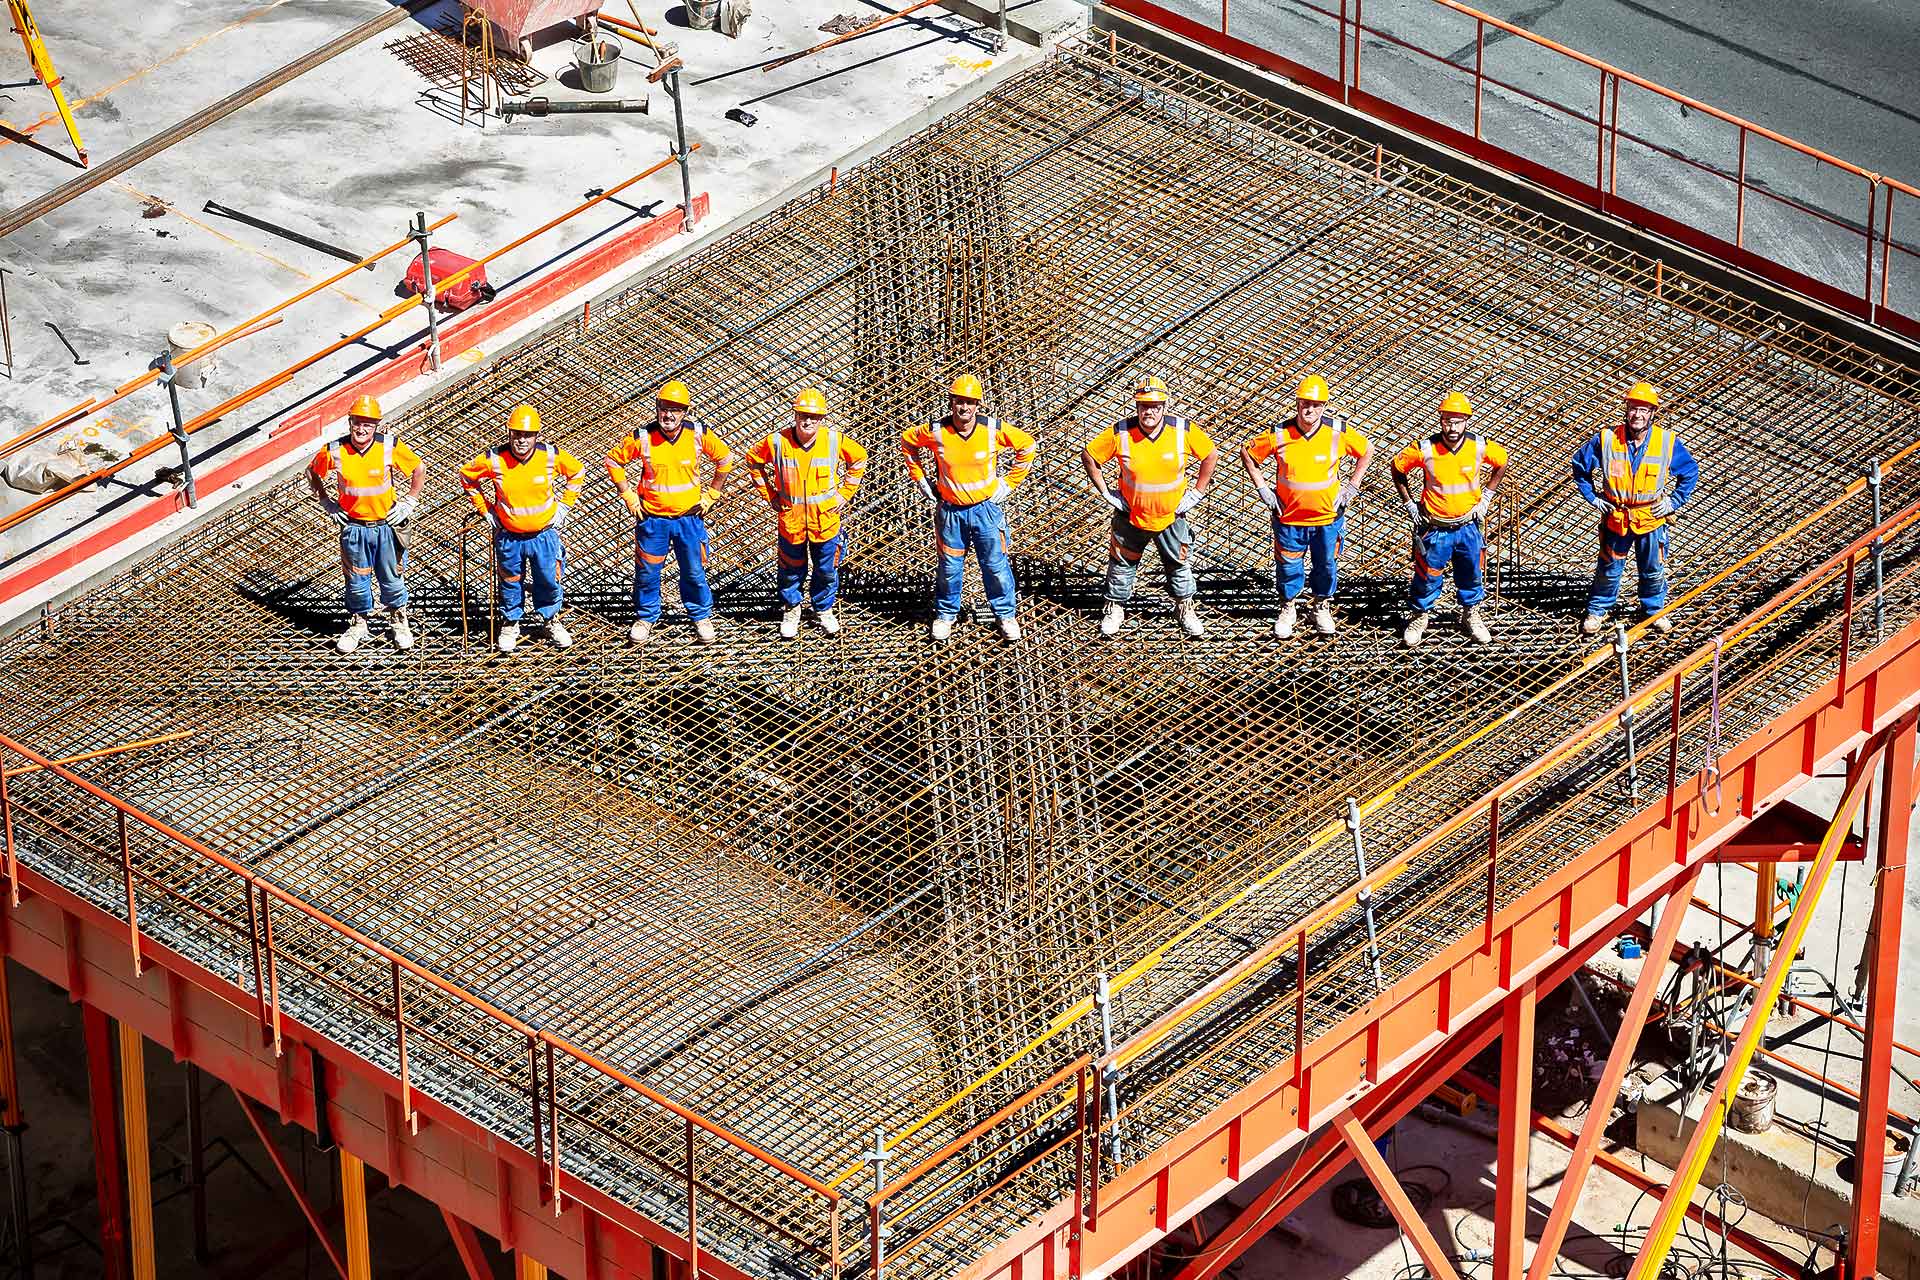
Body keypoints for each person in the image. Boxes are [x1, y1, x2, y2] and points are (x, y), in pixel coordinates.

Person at [901, 374, 1038, 642]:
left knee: (995, 565)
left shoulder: (991, 430)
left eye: (970, 402)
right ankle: (945, 615)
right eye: (959, 401)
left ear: (978, 405)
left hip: (985, 511)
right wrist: (921, 481)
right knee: (950, 567)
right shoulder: (937, 431)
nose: (964, 408)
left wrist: (1009, 483)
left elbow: (1027, 445)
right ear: (951, 402)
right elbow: (908, 443)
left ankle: (1005, 615)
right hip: (951, 512)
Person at [1082, 375, 1216, 639]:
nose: (1149, 411)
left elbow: (1210, 454)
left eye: (1155, 406)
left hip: (1171, 516)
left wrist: (1198, 492)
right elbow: (1090, 456)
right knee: (1121, 563)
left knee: (1178, 563)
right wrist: (1106, 492)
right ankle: (1115, 608)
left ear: (1165, 406)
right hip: (1131, 515)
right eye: (1144, 406)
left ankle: (1185, 608)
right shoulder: (1121, 432)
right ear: (1137, 407)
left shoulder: (1182, 431)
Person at [1239, 374, 1371, 638]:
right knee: (1288, 565)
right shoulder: (1279, 434)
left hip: (1327, 518)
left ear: (1324, 406)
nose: (1309, 410)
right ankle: (1288, 608)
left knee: (1326, 564)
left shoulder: (1337, 432)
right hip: (1289, 516)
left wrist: (1352, 486)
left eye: (1316, 404)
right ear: (1297, 403)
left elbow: (1366, 450)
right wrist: (1263, 488)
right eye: (1304, 404)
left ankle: (1320, 607)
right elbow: (1248, 453)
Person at [605, 379, 735, 646]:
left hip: (688, 518)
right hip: (653, 520)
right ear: (657, 408)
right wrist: (627, 494)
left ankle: (700, 616)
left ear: (685, 412)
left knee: (694, 570)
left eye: (675, 409)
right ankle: (645, 617)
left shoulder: (698, 434)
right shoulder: (642, 437)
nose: (668, 414)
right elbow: (613, 460)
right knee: (648, 572)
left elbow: (725, 459)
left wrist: (713, 493)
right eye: (664, 408)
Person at [1571, 381, 1700, 635]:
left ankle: (1654, 610)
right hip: (1617, 517)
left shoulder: (1666, 441)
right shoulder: (1607, 439)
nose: (1637, 415)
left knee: (1653, 568)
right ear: (1626, 409)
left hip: (1651, 516)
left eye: (1643, 409)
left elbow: (1690, 472)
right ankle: (1597, 610)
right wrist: (1594, 498)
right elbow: (1580, 466)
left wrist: (1673, 501)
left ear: (1652, 413)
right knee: (1609, 567)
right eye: (1633, 408)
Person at [458, 404, 585, 653]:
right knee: (510, 581)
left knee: (548, 579)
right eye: (516, 434)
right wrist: (485, 510)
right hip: (509, 536)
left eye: (527, 435)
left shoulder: (549, 456)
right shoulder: (494, 459)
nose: (521, 440)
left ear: (536, 436)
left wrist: (565, 507)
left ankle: (550, 619)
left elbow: (577, 472)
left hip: (543, 535)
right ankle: (511, 621)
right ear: (509, 434)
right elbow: (466, 477)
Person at [305, 395, 425, 654]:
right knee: (356, 580)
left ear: (376, 426)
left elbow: (418, 468)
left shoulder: (388, 446)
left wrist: (409, 502)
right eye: (357, 423)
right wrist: (326, 502)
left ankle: (398, 620)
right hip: (355, 528)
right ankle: (359, 623)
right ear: (350, 423)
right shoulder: (335, 450)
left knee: (391, 577)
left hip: (385, 526)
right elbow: (312, 472)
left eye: (367, 425)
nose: (361, 429)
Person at [744, 388, 867, 639]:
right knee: (790, 568)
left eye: (814, 416)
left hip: (825, 520)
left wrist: (845, 493)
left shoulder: (834, 440)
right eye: (803, 415)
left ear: (822, 419)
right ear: (795, 415)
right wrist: (769, 494)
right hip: (792, 520)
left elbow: (859, 459)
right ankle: (792, 608)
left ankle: (823, 609)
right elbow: (753, 460)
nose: (808, 421)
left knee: (826, 569)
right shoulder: (777, 442)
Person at [1391, 391, 1507, 647]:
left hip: (1467, 526)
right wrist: (1410, 503)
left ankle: (1471, 614)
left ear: (1467, 420)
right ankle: (1420, 616)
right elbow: (1397, 468)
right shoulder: (1426, 449)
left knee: (1471, 572)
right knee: (1427, 575)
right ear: (1441, 420)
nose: (1452, 427)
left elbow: (1502, 461)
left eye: (1457, 421)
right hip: (1436, 528)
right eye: (1447, 421)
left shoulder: (1478, 446)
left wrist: (1487, 496)